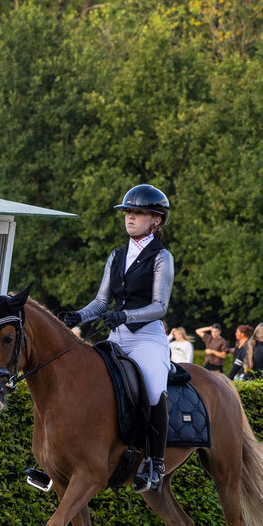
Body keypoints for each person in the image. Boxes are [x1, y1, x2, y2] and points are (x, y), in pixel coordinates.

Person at [59, 183, 174, 493]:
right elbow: (101, 302)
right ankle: (60, 458)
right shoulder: (117, 255)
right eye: (127, 213)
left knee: (153, 390)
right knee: (82, 380)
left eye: (138, 213)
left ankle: (155, 463)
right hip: (117, 336)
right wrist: (77, 316)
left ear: (156, 220)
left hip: (148, 338)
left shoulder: (162, 257)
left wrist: (125, 315)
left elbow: (160, 306)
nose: (130, 218)